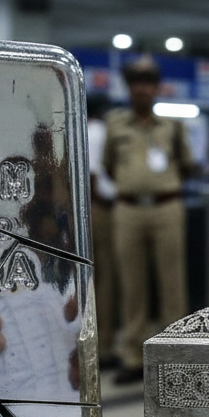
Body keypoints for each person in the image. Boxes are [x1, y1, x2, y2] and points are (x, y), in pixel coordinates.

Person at [103, 57, 199, 384]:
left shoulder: (172, 127)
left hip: (166, 208)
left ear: (157, 88)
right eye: (136, 83)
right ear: (129, 88)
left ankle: (175, 355)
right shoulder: (116, 125)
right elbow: (109, 167)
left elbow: (187, 165)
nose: (142, 89)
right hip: (128, 209)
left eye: (148, 83)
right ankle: (132, 356)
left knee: (172, 283)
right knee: (132, 285)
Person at [86, 94, 120, 371]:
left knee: (90, 279)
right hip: (100, 209)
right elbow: (94, 176)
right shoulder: (98, 132)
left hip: (84, 210)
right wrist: (106, 201)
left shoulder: (78, 129)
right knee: (105, 279)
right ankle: (104, 346)